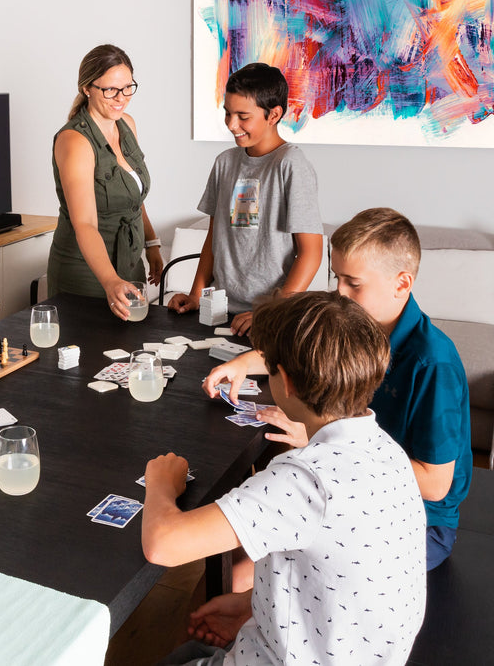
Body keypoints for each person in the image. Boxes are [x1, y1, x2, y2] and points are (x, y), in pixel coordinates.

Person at [145, 291, 426, 665]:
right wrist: (254, 604)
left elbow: (163, 545)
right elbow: (350, 576)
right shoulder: (387, 451)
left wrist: (161, 484)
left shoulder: (305, 482)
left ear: (287, 383)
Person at [205, 207, 471, 572]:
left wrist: (325, 444)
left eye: (353, 283)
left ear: (402, 283)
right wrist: (245, 362)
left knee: (245, 570)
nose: (340, 294)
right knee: (248, 546)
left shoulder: (432, 364)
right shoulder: (359, 327)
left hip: (417, 518)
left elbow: (435, 485)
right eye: (337, 279)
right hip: (350, 484)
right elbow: (304, 354)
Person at [168, 62, 323, 336]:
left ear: (273, 114)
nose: (231, 124)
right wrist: (195, 294)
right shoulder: (225, 163)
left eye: (242, 116)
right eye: (227, 113)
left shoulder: (290, 165)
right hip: (219, 311)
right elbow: (215, 236)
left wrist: (271, 312)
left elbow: (310, 253)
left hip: (270, 318)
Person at [46, 44, 164, 319]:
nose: (120, 97)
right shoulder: (75, 141)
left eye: (127, 88)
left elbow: (133, 194)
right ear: (87, 88)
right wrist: (110, 281)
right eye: (110, 89)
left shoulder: (127, 124)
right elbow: (84, 223)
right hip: (86, 272)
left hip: (129, 263)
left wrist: (152, 243)